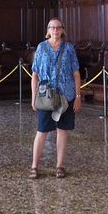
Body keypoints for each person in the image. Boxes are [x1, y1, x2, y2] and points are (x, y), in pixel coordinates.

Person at [28, 18, 81, 179]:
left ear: (63, 30)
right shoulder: (41, 48)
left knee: (62, 130)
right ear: (48, 30)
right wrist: (33, 97)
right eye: (52, 27)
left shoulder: (69, 48)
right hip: (46, 96)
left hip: (66, 95)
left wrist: (78, 96)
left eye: (58, 28)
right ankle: (34, 166)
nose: (55, 30)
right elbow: (34, 74)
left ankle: (59, 166)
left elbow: (76, 73)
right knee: (42, 130)